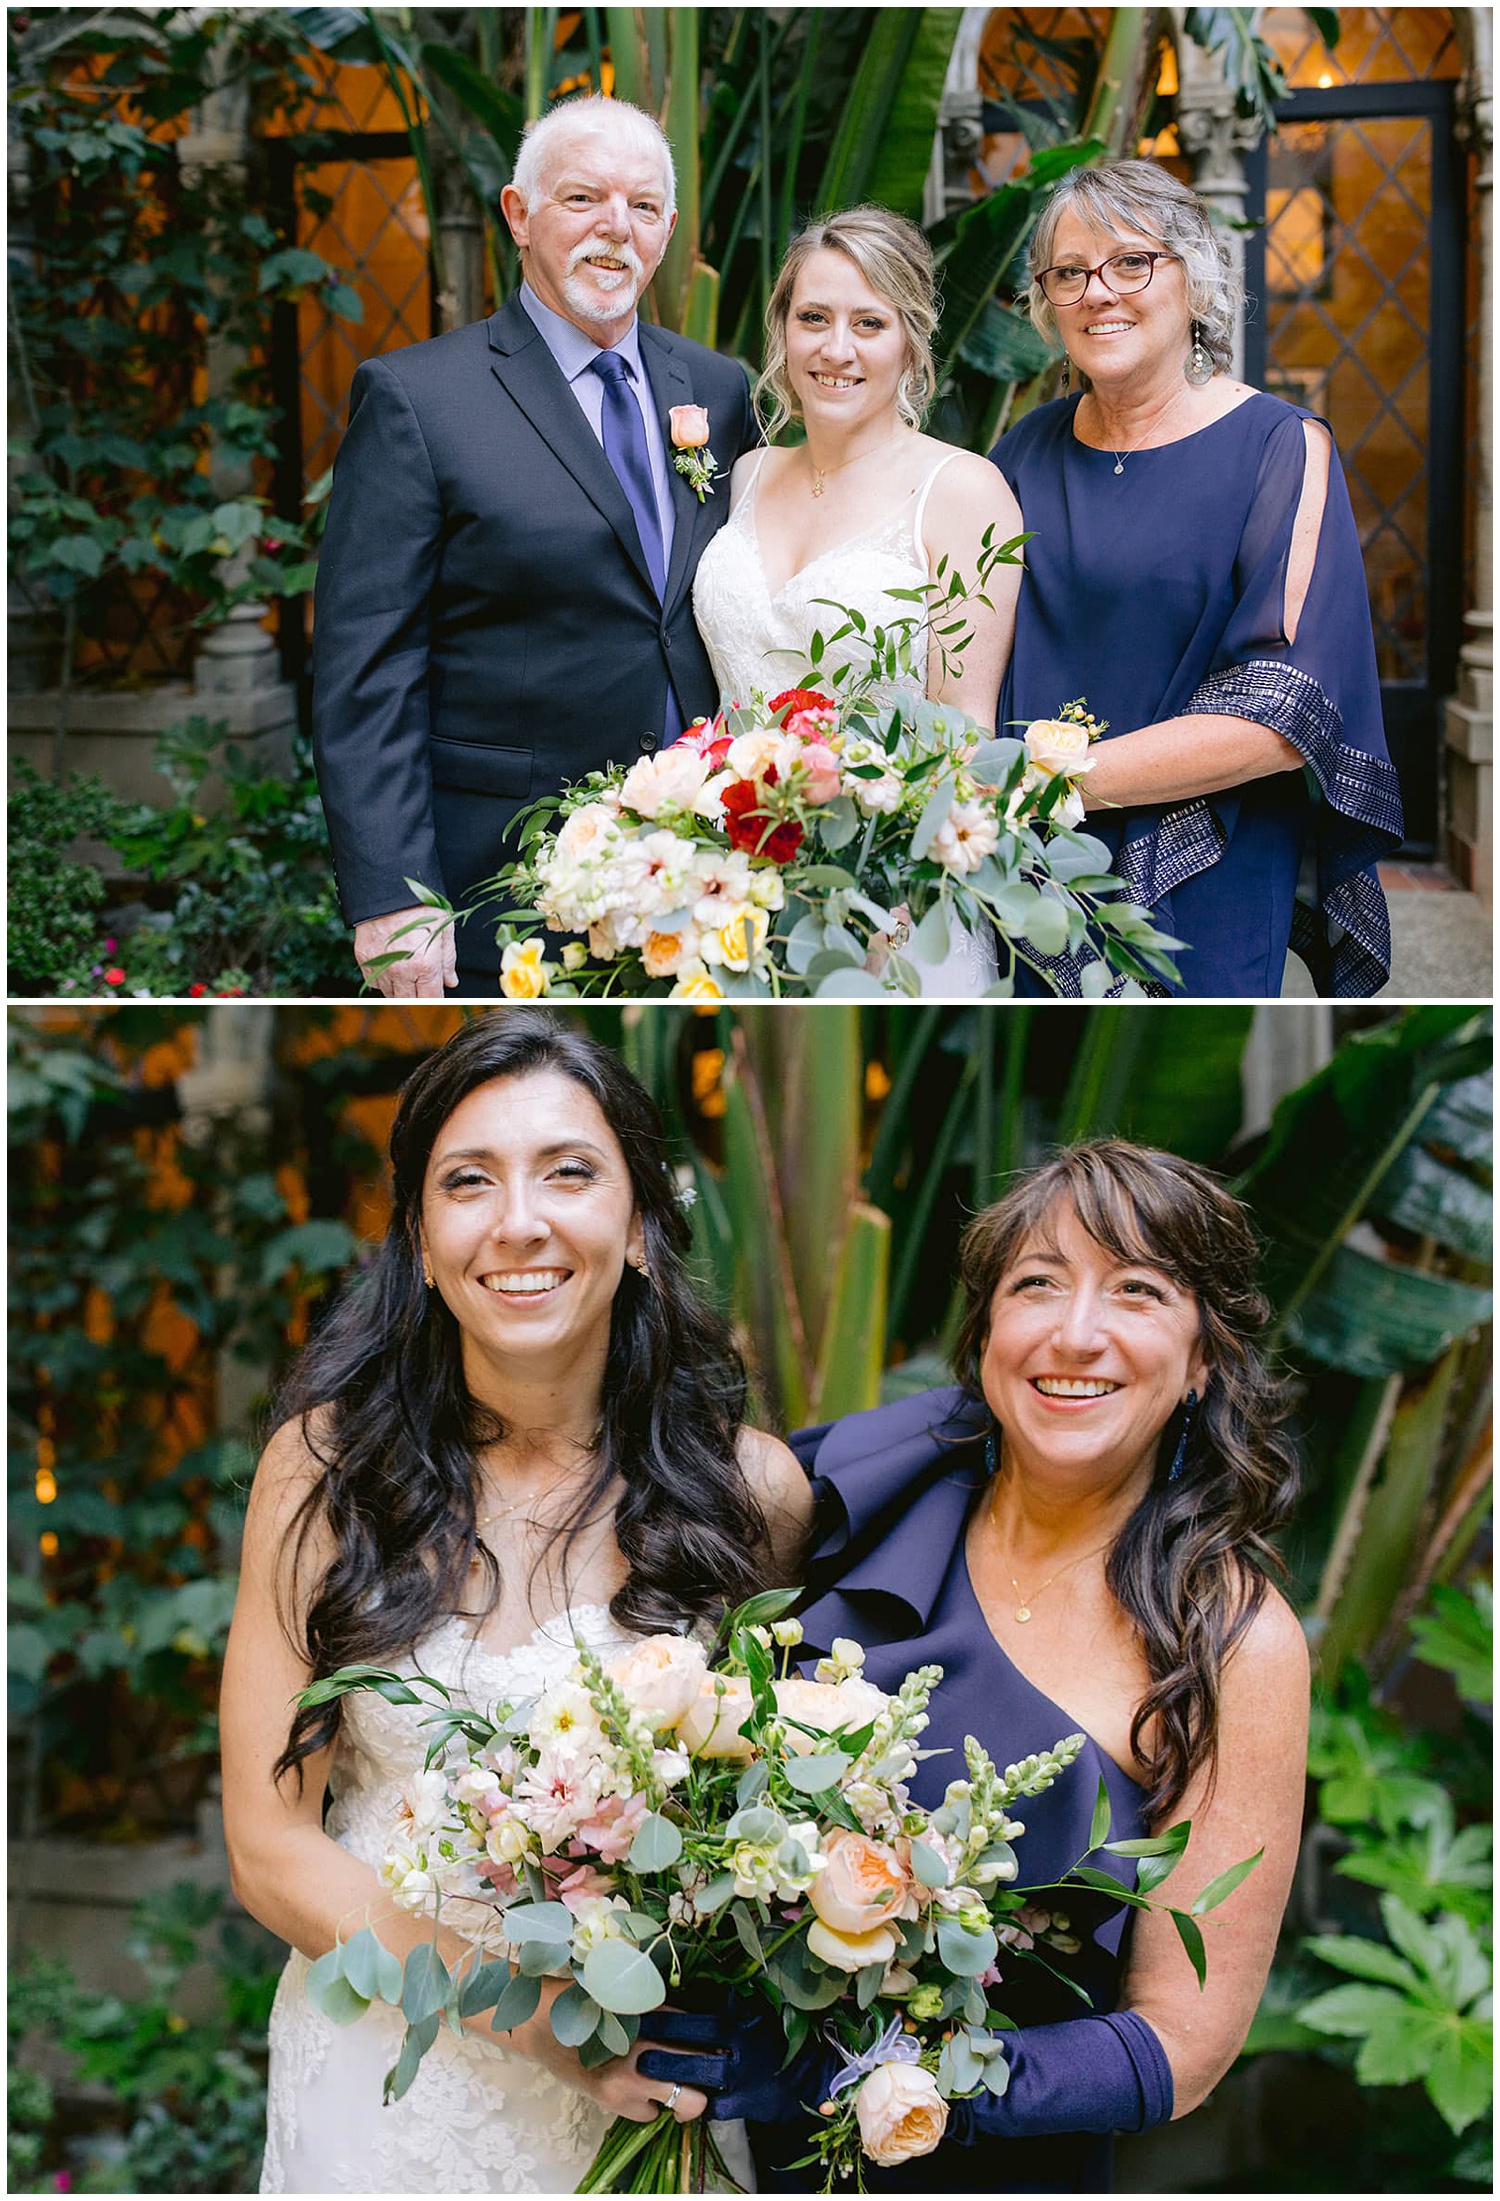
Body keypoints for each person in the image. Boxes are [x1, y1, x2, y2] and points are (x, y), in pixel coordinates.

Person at [221, 1010, 812, 2192]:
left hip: (649, 2096)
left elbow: (765, 1819)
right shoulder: (325, 1470)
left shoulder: (752, 1492)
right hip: (389, 2081)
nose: (520, 1221)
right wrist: (543, 2020)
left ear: (642, 1227)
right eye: (469, 1181)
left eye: (570, 1172)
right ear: (424, 1241)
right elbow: (270, 1844)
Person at [653, 1140, 1308, 2192]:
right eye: (1037, 1283)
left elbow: (1182, 2047)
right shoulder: (840, 1502)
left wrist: (873, 2076)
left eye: (1136, 1290)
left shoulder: (1234, 1638)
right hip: (713, 2146)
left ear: (1202, 1359)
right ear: (990, 1328)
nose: (1075, 1331)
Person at [312, 96, 760, 999]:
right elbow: (367, 666)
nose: (614, 229)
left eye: (641, 207)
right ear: (519, 216)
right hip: (502, 887)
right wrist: (395, 896)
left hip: (710, 885)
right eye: (582, 199)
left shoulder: (715, 388)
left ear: (667, 231)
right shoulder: (417, 399)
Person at [991, 160, 1403, 999]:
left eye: (1131, 263)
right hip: (1019, 872)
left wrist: (1048, 776)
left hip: (1204, 866)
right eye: (1069, 273)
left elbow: (1288, 714)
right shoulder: (1018, 455)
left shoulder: (1277, 448)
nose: (1098, 291)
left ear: (1198, 283)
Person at [693, 207, 1025, 996]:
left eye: (868, 322)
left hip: (887, 907)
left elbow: (967, 742)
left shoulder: (963, 492)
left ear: (909, 340)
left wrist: (889, 908)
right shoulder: (745, 474)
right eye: (813, 318)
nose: (835, 349)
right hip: (725, 888)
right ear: (783, 329)